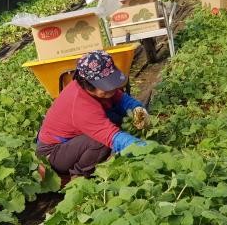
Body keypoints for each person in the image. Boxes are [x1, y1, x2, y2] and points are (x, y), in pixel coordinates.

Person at [36, 50, 148, 184]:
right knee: (100, 141)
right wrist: (145, 148)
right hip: (54, 153)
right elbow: (111, 137)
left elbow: (122, 100)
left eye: (112, 82)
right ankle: (78, 177)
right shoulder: (81, 105)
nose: (112, 88)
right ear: (87, 85)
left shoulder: (102, 92)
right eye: (106, 86)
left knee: (115, 118)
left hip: (74, 142)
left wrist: (138, 109)